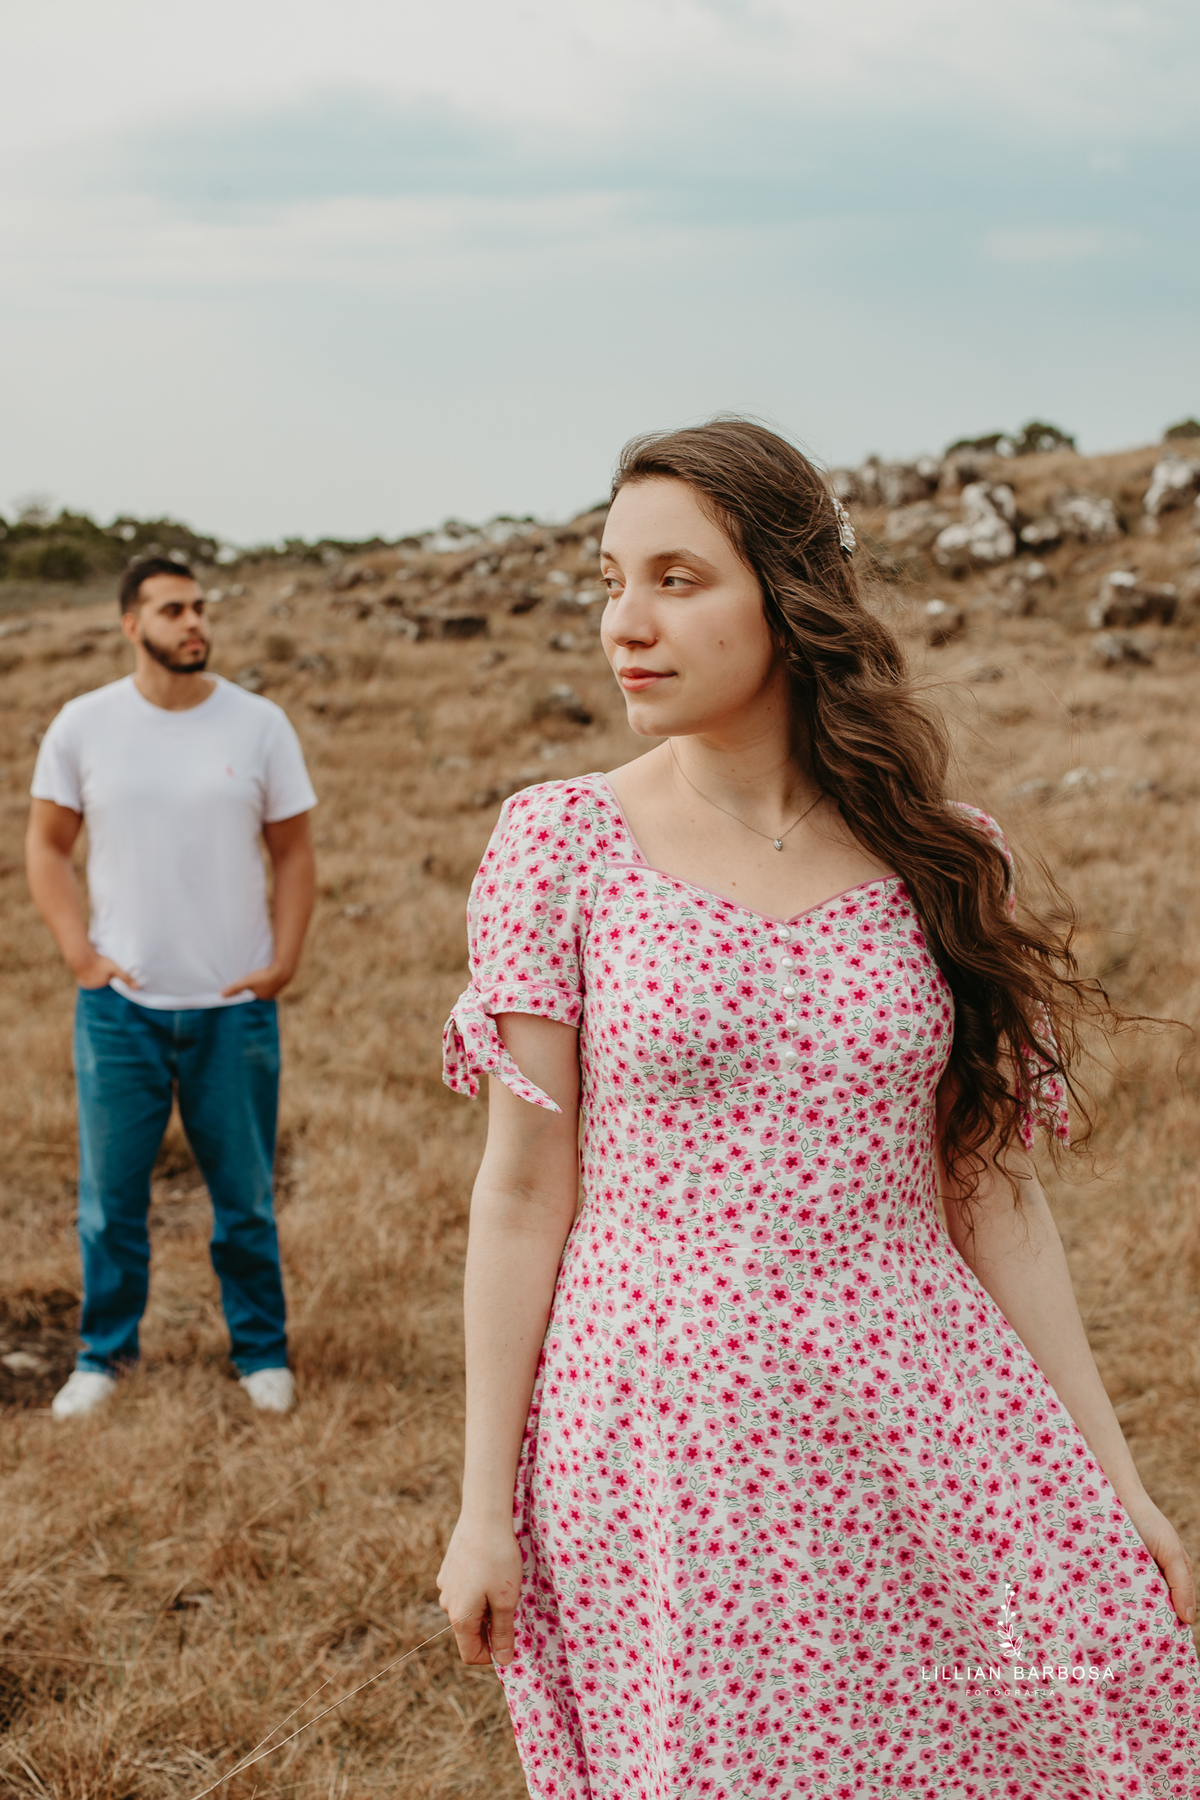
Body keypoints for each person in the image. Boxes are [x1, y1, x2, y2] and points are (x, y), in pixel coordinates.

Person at [437, 421, 1200, 1797]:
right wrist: (484, 1506)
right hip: (661, 1436)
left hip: (918, 1400)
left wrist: (1115, 1476)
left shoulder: (949, 858)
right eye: (610, 581)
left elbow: (995, 1190)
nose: (626, 623)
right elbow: (520, 1190)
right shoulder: (560, 844)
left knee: (1001, 1742)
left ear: (791, 600)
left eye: (677, 580)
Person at [26, 555, 317, 1420]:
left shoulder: (259, 725)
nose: (193, 622)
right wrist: (82, 955)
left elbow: (294, 852)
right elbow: (46, 847)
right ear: (131, 624)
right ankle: (103, 1357)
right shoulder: (84, 725)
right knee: (111, 1205)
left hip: (234, 1009)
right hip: (121, 1011)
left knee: (245, 1202)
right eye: (171, 609)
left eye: (199, 607)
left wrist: (286, 960)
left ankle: (261, 1351)